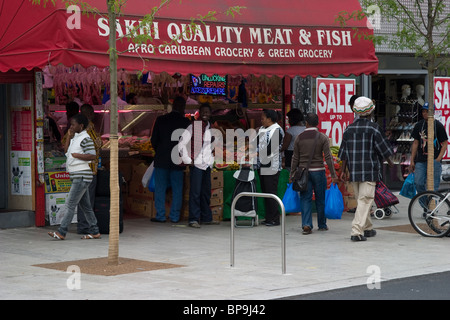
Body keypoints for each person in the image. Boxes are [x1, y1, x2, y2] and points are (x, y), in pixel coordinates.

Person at [338, 97, 394, 242]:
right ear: (370, 112)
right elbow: (384, 149)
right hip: (370, 170)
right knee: (365, 199)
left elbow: (343, 153)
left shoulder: (349, 129)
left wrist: (343, 170)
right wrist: (390, 162)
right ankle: (356, 231)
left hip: (354, 171)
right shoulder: (374, 128)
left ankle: (368, 228)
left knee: (361, 199)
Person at [48, 114, 100, 240]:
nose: (70, 126)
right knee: (86, 207)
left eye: (73, 125)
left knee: (70, 204)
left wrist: (77, 156)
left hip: (81, 176)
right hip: (78, 175)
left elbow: (92, 155)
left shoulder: (85, 139)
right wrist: (68, 138)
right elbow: (66, 152)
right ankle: (94, 231)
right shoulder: (76, 138)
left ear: (81, 126)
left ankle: (62, 232)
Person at [290, 113, 339, 235]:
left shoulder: (299, 137)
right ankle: (322, 224)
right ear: (317, 123)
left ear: (306, 123)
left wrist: (292, 173)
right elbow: (328, 157)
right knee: (320, 198)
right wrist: (333, 175)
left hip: (303, 173)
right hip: (319, 172)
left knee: (305, 198)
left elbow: (295, 158)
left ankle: (306, 224)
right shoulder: (322, 137)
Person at [151, 96, 191, 223]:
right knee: (177, 189)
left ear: (173, 106)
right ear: (183, 108)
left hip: (162, 158)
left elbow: (154, 140)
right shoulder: (186, 122)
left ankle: (161, 216)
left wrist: (160, 151)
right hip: (178, 160)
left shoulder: (160, 119)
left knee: (160, 188)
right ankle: (174, 216)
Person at [178, 103, 219, 228]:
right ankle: (193, 219)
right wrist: (187, 159)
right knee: (195, 193)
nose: (205, 114)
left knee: (206, 192)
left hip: (206, 164)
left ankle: (206, 217)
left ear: (210, 114)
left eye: (208, 112)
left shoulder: (210, 127)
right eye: (203, 112)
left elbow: (210, 145)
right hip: (196, 164)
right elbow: (181, 143)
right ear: (199, 114)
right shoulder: (193, 126)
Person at [409, 103, 448, 194]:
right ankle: (426, 205)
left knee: (434, 186)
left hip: (434, 159)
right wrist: (412, 160)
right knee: (418, 183)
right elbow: (415, 143)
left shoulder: (438, 125)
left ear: (432, 112)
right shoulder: (419, 125)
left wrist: (438, 158)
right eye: (423, 111)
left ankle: (433, 206)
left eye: (427, 111)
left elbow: (445, 143)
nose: (424, 113)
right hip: (421, 159)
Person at [76, 104, 102, 234]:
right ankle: (85, 226)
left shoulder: (76, 127)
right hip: (89, 169)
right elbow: (98, 143)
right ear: (90, 114)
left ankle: (83, 225)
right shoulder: (89, 127)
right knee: (87, 200)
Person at [255, 109, 284, 226]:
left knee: (271, 191)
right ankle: (268, 217)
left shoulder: (277, 130)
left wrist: (256, 153)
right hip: (261, 164)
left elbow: (271, 148)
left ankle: (275, 218)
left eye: (263, 118)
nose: (261, 120)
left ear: (270, 119)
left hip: (272, 165)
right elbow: (255, 143)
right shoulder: (262, 129)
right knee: (265, 191)